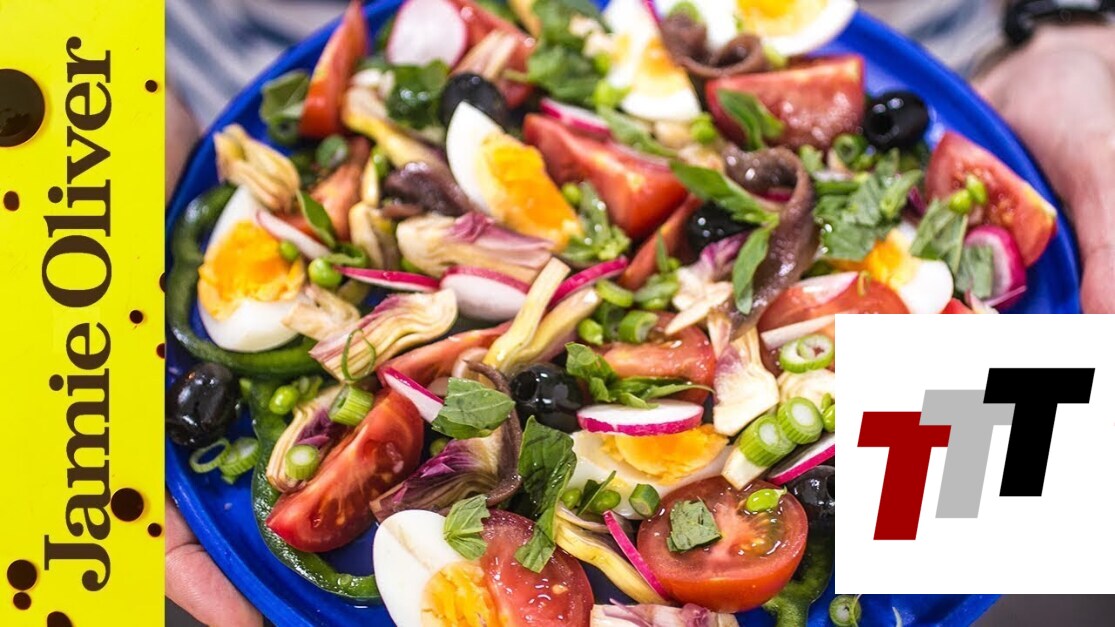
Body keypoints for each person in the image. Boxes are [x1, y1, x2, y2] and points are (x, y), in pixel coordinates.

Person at [164, 1, 1115, 624]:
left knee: (1008, 533)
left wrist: (1069, 32)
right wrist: (108, 134)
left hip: (960, 40)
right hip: (211, 57)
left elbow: (970, 556)